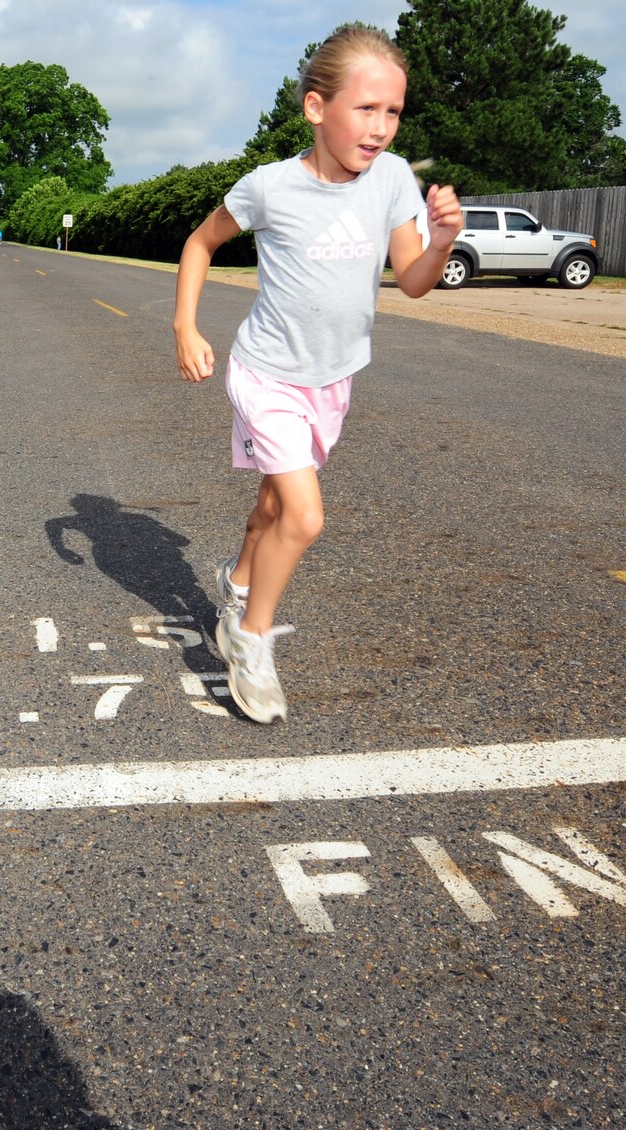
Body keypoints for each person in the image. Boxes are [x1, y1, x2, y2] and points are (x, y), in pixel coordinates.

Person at [172, 25, 464, 723]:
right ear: (315, 108)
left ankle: (237, 582)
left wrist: (444, 238)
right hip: (266, 373)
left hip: (332, 380)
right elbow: (200, 243)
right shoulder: (270, 188)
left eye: (393, 112)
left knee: (275, 506)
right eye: (366, 109)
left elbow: (415, 281)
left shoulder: (394, 179)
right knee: (303, 516)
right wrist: (184, 325)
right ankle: (249, 637)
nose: (381, 128)